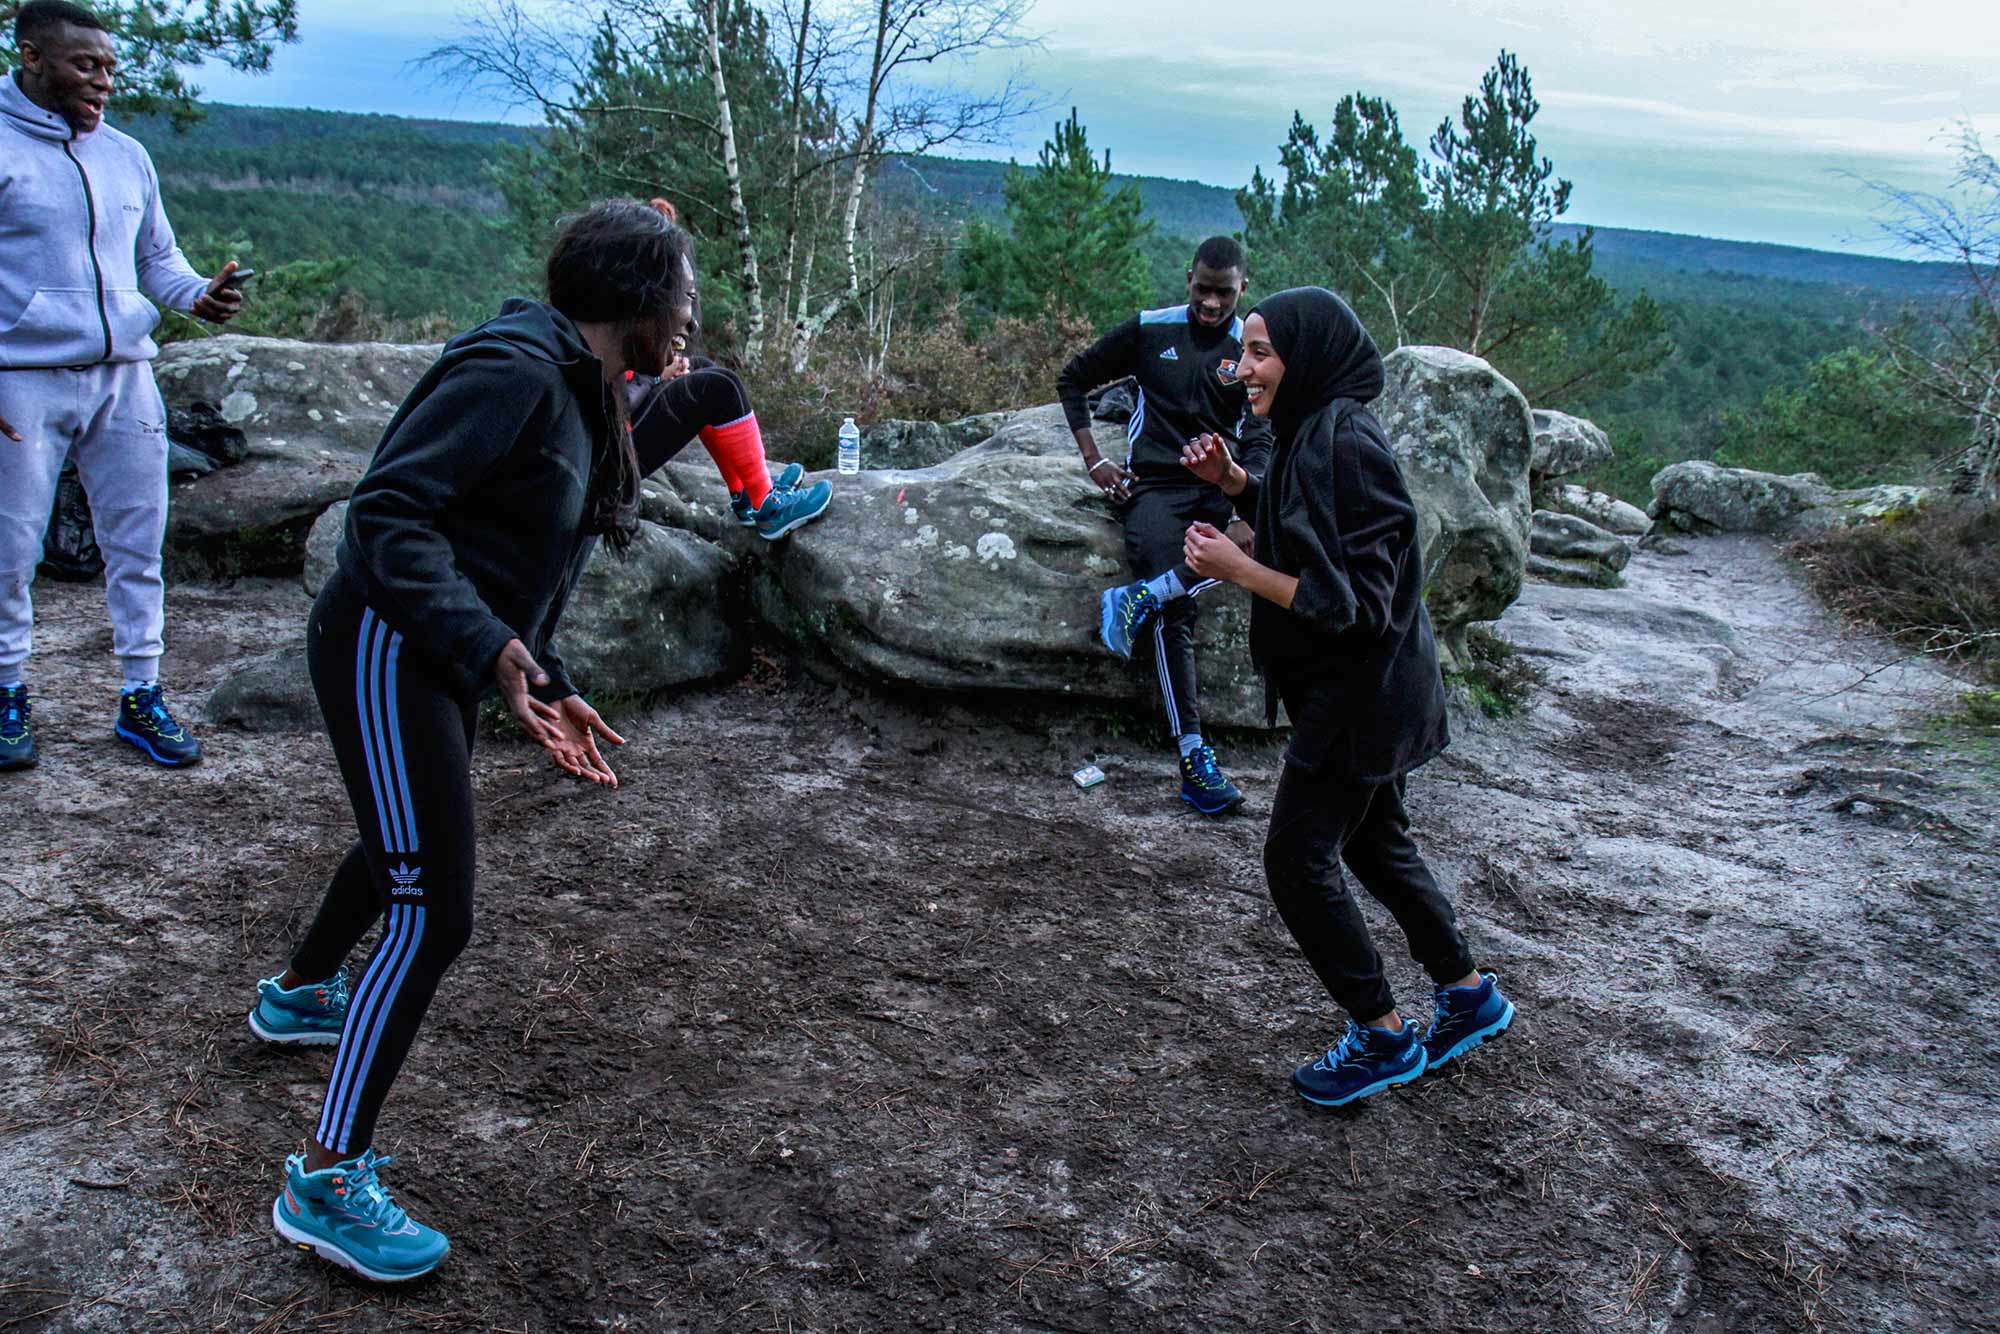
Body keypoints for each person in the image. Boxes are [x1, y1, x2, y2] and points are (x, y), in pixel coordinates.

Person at [245, 198, 693, 1282]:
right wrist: (489, 647)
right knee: (432, 905)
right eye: (681, 292)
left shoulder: (586, 389)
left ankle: (301, 994)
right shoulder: (513, 372)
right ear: (635, 297)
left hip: (442, 649)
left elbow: (512, 555)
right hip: (384, 643)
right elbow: (387, 515)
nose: (690, 315)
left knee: (409, 839)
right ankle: (324, 1178)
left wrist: (543, 671)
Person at [1178, 286, 1515, 1107]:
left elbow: (1357, 603)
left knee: (1296, 862)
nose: (1242, 367)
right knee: (1374, 845)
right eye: (1244, 351)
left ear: (1309, 356)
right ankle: (1468, 994)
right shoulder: (1308, 428)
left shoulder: (1348, 442)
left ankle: (1381, 1035)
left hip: (1360, 694)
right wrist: (1238, 486)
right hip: (1370, 688)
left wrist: (1241, 571)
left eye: (1260, 352)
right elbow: (1312, 529)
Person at [0, 0, 246, 772]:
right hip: (21, 380)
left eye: (110, 66)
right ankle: (6, 695)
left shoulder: (126, 156)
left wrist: (198, 295)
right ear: (32, 57)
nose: (103, 80)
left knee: (138, 545)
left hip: (125, 378)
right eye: (86, 65)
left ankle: (142, 695)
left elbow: (157, 262)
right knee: (10, 551)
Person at [1056, 236, 1272, 815]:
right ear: (1188, 278)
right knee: (1174, 615)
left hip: (1221, 489)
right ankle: (1194, 758)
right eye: (1202, 289)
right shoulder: (1152, 330)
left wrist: (1247, 505)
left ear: (1242, 289)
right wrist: (1095, 461)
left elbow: (1262, 432)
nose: (1210, 303)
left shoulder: (1249, 350)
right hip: (1152, 489)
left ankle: (1137, 597)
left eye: (1223, 293)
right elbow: (1072, 379)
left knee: (1276, 546)